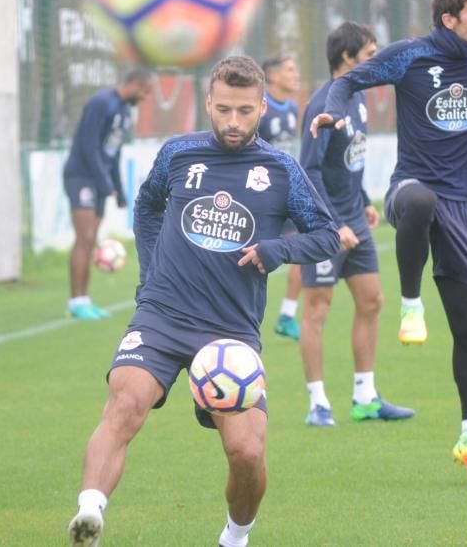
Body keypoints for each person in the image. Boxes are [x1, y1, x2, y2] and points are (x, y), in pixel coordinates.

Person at [67, 56, 340, 547]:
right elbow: (148, 206)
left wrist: (276, 250)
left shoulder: (280, 170)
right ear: (208, 104)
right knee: (125, 403)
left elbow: (326, 236)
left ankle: (235, 537)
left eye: (244, 112)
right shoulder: (178, 154)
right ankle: (90, 511)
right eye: (224, 110)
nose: (233, 122)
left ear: (261, 108)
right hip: (162, 315)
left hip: (231, 330)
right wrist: (151, 273)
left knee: (247, 453)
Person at [311, 0, 467, 487]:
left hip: (464, 204)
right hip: (411, 186)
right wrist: (332, 108)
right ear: (450, 19)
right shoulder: (411, 56)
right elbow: (350, 80)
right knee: (419, 200)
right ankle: (411, 303)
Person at [298, 21, 414, 427]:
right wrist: (330, 224)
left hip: (353, 218)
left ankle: (365, 397)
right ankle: (318, 404)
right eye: (370, 54)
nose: (376, 61)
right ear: (348, 58)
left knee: (372, 301)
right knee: (317, 310)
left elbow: (347, 162)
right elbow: (308, 170)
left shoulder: (359, 98)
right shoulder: (324, 105)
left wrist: (363, 202)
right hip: (325, 223)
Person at [63, 69, 153, 320]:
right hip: (81, 175)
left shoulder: (124, 112)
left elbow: (113, 153)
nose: (144, 99)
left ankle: (84, 299)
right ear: (136, 83)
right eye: (145, 93)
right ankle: (76, 302)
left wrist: (119, 190)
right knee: (85, 237)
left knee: (91, 241)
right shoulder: (101, 101)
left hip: (98, 180)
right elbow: (88, 145)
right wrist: (103, 182)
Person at [258, 56, 305, 340]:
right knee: (252, 259)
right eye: (290, 69)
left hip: (287, 197)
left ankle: (287, 315)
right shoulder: (261, 108)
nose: (296, 74)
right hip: (262, 199)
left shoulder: (292, 107)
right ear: (273, 76)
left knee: (302, 251)